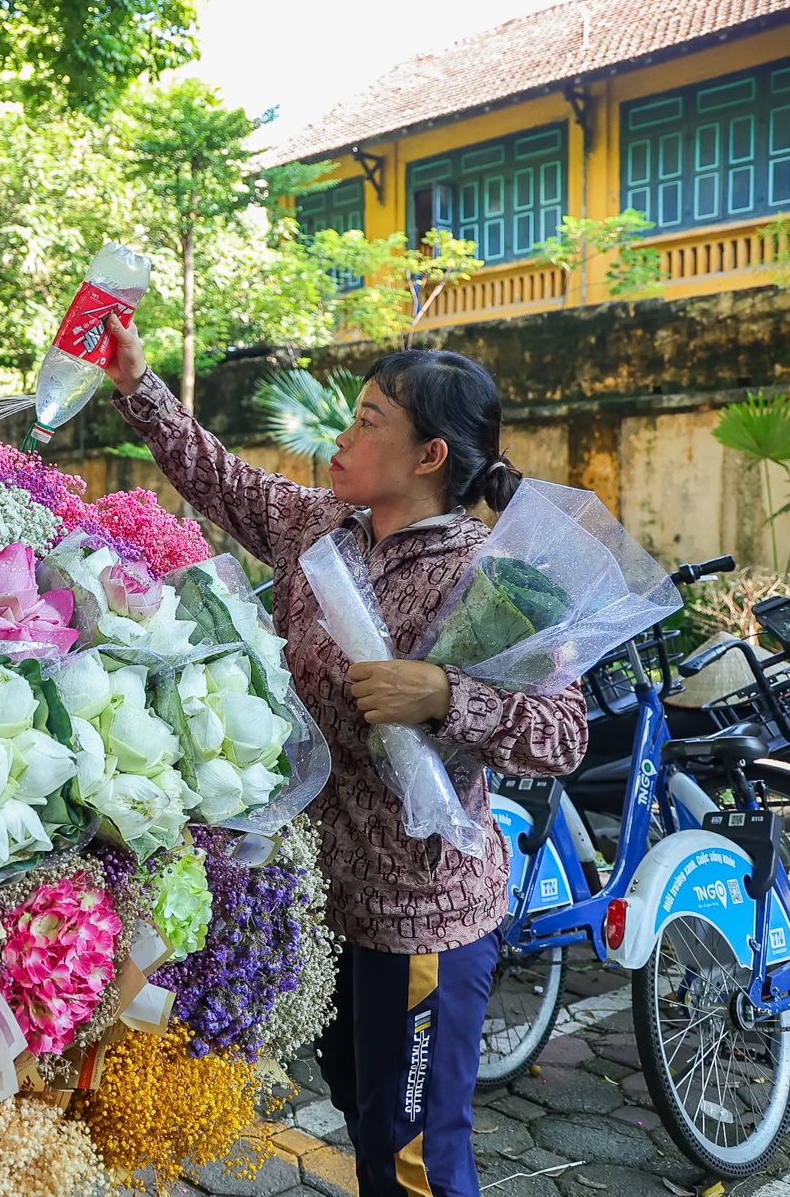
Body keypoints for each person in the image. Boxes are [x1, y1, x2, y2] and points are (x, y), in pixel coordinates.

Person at [101, 317, 586, 1197]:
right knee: (367, 1123)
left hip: (421, 917)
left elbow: (564, 736)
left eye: (367, 421)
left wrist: (443, 695)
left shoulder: (492, 578)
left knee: (416, 1162)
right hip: (323, 904)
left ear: (430, 455)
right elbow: (220, 478)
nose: (343, 435)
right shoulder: (321, 529)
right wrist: (139, 384)